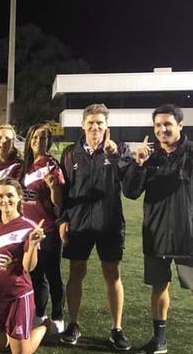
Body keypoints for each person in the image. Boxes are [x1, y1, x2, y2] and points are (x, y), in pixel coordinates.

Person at [58, 103, 132, 350]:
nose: (95, 127)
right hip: (78, 224)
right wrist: (62, 220)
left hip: (109, 224)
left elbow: (131, 184)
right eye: (90, 123)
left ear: (106, 126)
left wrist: (117, 157)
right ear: (83, 125)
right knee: (76, 272)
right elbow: (64, 191)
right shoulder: (70, 153)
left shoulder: (118, 149)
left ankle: (116, 328)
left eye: (100, 123)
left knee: (112, 274)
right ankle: (74, 324)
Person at [123, 104, 193, 354]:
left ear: (180, 126)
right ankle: (159, 341)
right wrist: (138, 164)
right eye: (158, 125)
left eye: (168, 124)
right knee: (159, 287)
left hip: (189, 236)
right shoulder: (148, 157)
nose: (162, 129)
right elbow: (131, 192)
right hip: (157, 234)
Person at [0, 178, 48, 354]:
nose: (5, 200)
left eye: (10, 195)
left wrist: (33, 244)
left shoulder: (28, 227)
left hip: (17, 296)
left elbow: (28, 267)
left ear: (19, 197)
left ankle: (42, 328)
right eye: (0, 196)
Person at [21, 123, 65, 333]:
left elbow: (59, 202)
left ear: (49, 142)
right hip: (29, 232)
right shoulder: (25, 166)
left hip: (47, 229)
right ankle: (40, 314)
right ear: (29, 140)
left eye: (44, 138)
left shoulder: (52, 165)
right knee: (36, 276)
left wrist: (53, 187)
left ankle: (57, 316)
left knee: (52, 275)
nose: (39, 142)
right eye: (35, 137)